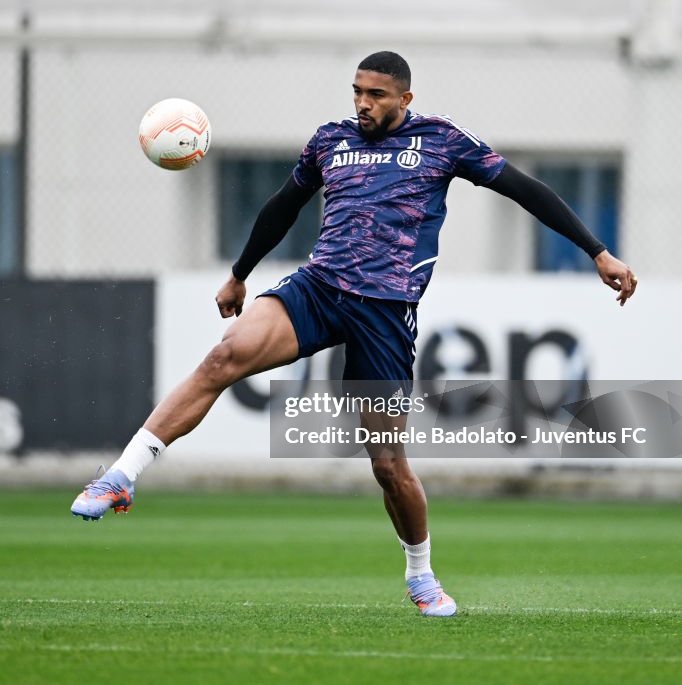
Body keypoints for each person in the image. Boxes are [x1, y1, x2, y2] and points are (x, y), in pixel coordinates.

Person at [71, 51, 637, 618]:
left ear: (404, 99)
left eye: (376, 95)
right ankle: (122, 475)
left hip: (386, 311)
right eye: (358, 92)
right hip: (318, 289)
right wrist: (240, 274)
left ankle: (421, 574)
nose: (363, 103)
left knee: (387, 464)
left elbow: (523, 188)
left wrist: (598, 252)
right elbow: (283, 206)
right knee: (224, 357)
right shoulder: (330, 140)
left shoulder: (441, 141)